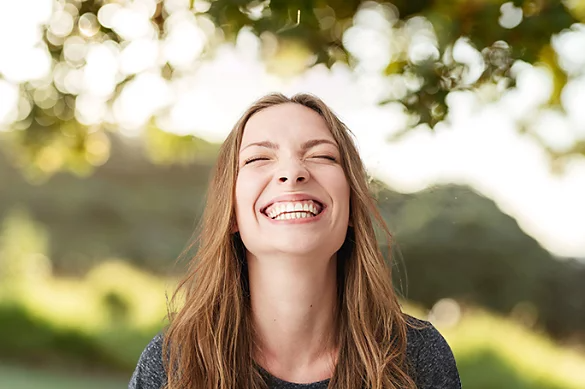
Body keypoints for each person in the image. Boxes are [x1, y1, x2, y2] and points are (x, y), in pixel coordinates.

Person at [129, 93, 461, 389]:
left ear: (350, 207)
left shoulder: (417, 358)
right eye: (258, 158)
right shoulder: (174, 364)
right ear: (230, 212)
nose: (292, 172)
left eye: (322, 156)